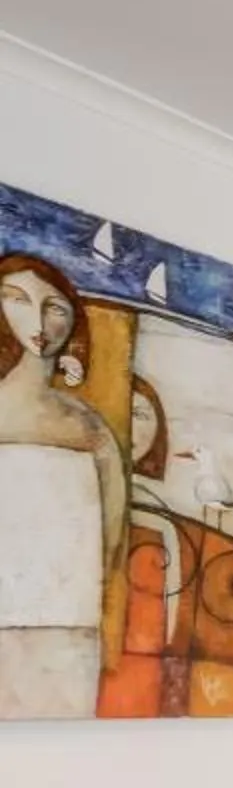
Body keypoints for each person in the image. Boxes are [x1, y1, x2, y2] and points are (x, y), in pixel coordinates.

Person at [0, 253, 126, 717]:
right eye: (15, 300)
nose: (37, 320)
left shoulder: (88, 427)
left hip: (69, 625)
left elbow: (113, 534)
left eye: (54, 307)